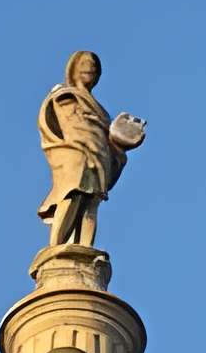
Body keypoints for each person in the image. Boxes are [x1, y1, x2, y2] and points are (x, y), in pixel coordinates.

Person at [37, 51, 146, 250]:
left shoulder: (101, 111)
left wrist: (122, 141)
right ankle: (56, 249)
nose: (91, 68)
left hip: (99, 157)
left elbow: (107, 137)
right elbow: (74, 126)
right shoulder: (65, 96)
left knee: (91, 203)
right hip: (76, 154)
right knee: (71, 195)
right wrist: (91, 141)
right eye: (85, 63)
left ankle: (85, 248)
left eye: (94, 65)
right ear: (74, 69)